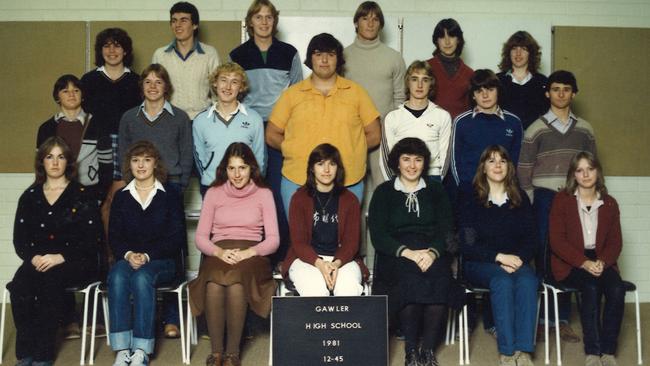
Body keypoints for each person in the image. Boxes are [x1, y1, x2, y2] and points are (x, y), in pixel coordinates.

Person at [517, 70, 596, 342]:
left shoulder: (585, 129)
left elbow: (593, 166)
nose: (561, 93)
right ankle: (539, 319)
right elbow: (524, 168)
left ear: (573, 93)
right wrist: (529, 200)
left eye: (566, 89)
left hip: (574, 199)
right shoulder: (535, 128)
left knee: (568, 255)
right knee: (541, 252)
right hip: (544, 197)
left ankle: (560, 320)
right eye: (555, 89)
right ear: (547, 93)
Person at [9, 136, 101, 366]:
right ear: (42, 162)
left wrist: (60, 257)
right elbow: (20, 239)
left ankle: (43, 355)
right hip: (38, 260)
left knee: (49, 285)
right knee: (20, 288)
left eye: (61, 157)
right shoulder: (29, 197)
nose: (55, 162)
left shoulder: (81, 194)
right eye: (49, 157)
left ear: (68, 162)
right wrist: (34, 257)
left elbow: (93, 239)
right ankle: (26, 353)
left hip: (74, 260)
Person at [267, 32, 381, 211]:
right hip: (298, 179)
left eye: (330, 54)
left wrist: (352, 148)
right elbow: (272, 134)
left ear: (339, 59)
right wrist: (294, 148)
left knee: (342, 237)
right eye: (318, 54)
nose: (324, 60)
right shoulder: (291, 95)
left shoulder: (357, 92)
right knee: (301, 238)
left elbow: (374, 134)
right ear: (310, 59)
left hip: (348, 181)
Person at [188, 142, 279, 366]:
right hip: (219, 252)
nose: (237, 174)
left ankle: (232, 354)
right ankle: (216, 352)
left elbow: (274, 240)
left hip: (252, 254)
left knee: (237, 283)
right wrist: (219, 252)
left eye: (242, 168)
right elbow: (200, 238)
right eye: (232, 168)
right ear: (224, 170)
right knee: (213, 283)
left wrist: (249, 252)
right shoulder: (213, 193)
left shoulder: (264, 194)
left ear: (252, 169)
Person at [229, 0, 303, 263]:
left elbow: (297, 94)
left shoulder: (289, 53)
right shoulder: (237, 55)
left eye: (268, 17)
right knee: (249, 191)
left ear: (275, 21)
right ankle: (252, 256)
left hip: (279, 129)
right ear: (250, 22)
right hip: (248, 129)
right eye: (258, 17)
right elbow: (231, 93)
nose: (263, 22)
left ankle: (280, 256)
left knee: (277, 193)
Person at [369, 137, 453, 366]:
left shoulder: (436, 190)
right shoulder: (384, 192)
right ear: (397, 163)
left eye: (418, 160)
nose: (412, 165)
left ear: (424, 163)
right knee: (409, 279)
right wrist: (408, 253)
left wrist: (432, 253)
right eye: (406, 159)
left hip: (430, 248)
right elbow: (378, 234)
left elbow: (447, 228)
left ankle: (427, 350)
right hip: (397, 253)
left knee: (439, 277)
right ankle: (410, 351)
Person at [107, 141, 186, 366]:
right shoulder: (122, 196)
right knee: (117, 276)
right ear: (129, 164)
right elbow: (114, 236)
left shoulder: (170, 194)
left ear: (155, 164)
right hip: (129, 257)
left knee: (143, 277)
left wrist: (147, 256)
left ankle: (141, 348)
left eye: (147, 160)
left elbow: (177, 236)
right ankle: (123, 349)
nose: (141, 165)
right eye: (136, 160)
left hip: (162, 261)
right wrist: (130, 254)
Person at [459, 145, 538, 366]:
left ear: (509, 167)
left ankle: (523, 350)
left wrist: (518, 259)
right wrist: (498, 257)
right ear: (483, 167)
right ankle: (507, 351)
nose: (497, 165)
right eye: (491, 161)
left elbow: (531, 238)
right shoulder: (471, 199)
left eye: (502, 161)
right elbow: (467, 243)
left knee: (528, 281)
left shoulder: (520, 198)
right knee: (502, 281)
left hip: (515, 261)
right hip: (480, 263)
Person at [549, 152, 625, 366]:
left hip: (601, 258)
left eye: (590, 169)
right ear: (574, 174)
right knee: (591, 287)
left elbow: (615, 242)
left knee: (616, 288)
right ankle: (593, 351)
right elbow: (557, 241)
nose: (585, 174)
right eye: (580, 170)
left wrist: (602, 261)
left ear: (597, 171)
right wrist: (584, 262)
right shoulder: (562, 200)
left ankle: (608, 351)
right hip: (570, 260)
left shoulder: (610, 203)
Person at [282, 143, 363, 296]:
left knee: (348, 290)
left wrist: (335, 265)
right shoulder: (299, 198)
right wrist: (320, 264)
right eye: (320, 164)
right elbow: (298, 243)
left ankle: (344, 322)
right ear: (312, 168)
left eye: (332, 164)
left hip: (342, 261)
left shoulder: (350, 200)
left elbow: (351, 243)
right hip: (307, 260)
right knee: (315, 290)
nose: (326, 170)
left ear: (337, 168)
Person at [343, 1, 406, 188]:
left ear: (381, 24)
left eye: (375, 19)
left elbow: (400, 99)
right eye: (365, 18)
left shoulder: (394, 58)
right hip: (351, 135)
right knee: (351, 189)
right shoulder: (342, 57)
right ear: (356, 23)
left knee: (383, 189)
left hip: (384, 137)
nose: (370, 23)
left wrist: (393, 133)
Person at [37, 74, 112, 204]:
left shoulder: (98, 124)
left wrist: (99, 197)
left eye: (76, 90)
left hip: (90, 194)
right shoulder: (46, 128)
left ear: (82, 96)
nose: (71, 95)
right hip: (56, 194)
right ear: (57, 97)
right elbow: (40, 166)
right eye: (65, 91)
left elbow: (106, 167)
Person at [193, 62, 265, 196]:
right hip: (211, 185)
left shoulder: (254, 119)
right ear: (215, 83)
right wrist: (209, 176)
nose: (228, 87)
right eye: (223, 80)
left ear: (241, 87)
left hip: (245, 187)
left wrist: (254, 182)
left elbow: (259, 156)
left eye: (234, 82)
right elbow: (199, 157)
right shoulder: (200, 120)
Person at [118, 64, 193, 194]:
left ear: (166, 87)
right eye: (148, 82)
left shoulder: (180, 117)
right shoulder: (129, 117)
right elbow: (123, 154)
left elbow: (187, 154)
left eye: (158, 82)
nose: (152, 87)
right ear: (142, 86)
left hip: (172, 183)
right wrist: (129, 181)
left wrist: (182, 184)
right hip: (138, 183)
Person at [450, 69, 522, 202]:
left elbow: (516, 161)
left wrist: (508, 190)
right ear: (473, 95)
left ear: (498, 91)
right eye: (479, 91)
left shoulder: (513, 122)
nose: (485, 95)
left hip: (504, 193)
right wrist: (465, 190)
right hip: (470, 192)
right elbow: (455, 163)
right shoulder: (461, 122)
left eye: (490, 89)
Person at [81, 27, 142, 185]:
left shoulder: (138, 81)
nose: (112, 50)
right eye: (107, 46)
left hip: (127, 145)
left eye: (117, 45)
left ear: (125, 51)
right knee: (99, 194)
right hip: (96, 147)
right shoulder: (88, 80)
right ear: (100, 51)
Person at [380, 60, 452, 182]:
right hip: (401, 177)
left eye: (425, 80)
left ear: (431, 84)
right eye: (414, 79)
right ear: (408, 83)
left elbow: (446, 158)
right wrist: (393, 184)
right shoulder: (393, 117)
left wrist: (437, 185)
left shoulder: (442, 116)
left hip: (432, 177)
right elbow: (386, 158)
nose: (420, 85)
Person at [152, 1, 220, 119]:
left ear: (194, 25)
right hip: (170, 120)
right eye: (174, 21)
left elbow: (218, 92)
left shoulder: (210, 54)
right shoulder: (160, 55)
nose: (177, 25)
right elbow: (154, 91)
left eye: (183, 20)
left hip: (201, 119)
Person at [497, 31, 548, 131]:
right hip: (504, 139)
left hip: (534, 139)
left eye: (524, 49)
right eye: (514, 48)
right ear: (508, 52)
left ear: (531, 53)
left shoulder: (543, 82)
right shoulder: (497, 81)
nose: (518, 53)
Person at [426, 18, 473, 120]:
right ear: (436, 41)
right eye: (442, 37)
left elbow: (471, 110)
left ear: (458, 39)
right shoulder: (425, 68)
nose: (447, 42)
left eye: (451, 36)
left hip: (458, 130)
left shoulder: (469, 73)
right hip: (430, 129)